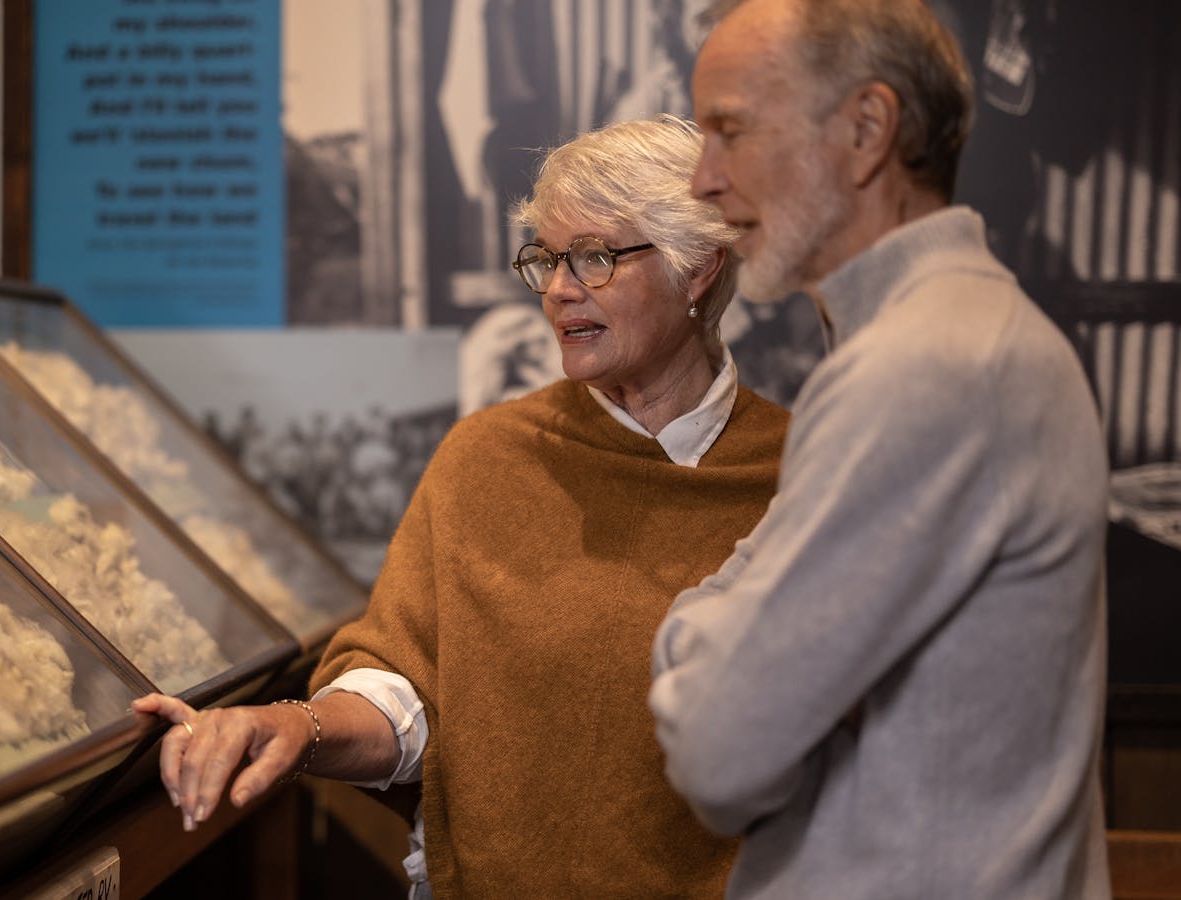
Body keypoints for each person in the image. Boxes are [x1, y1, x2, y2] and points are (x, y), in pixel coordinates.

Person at [134, 115, 790, 897]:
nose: (557, 289)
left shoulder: (804, 475)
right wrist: (293, 727)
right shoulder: (489, 459)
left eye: (594, 257)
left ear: (699, 269)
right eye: (546, 259)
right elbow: (404, 691)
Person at [647, 1, 1110, 897]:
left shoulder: (924, 367)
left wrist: (690, 638)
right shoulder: (951, 337)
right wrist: (730, 644)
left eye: (730, 130)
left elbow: (718, 749)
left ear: (866, 131)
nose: (703, 179)